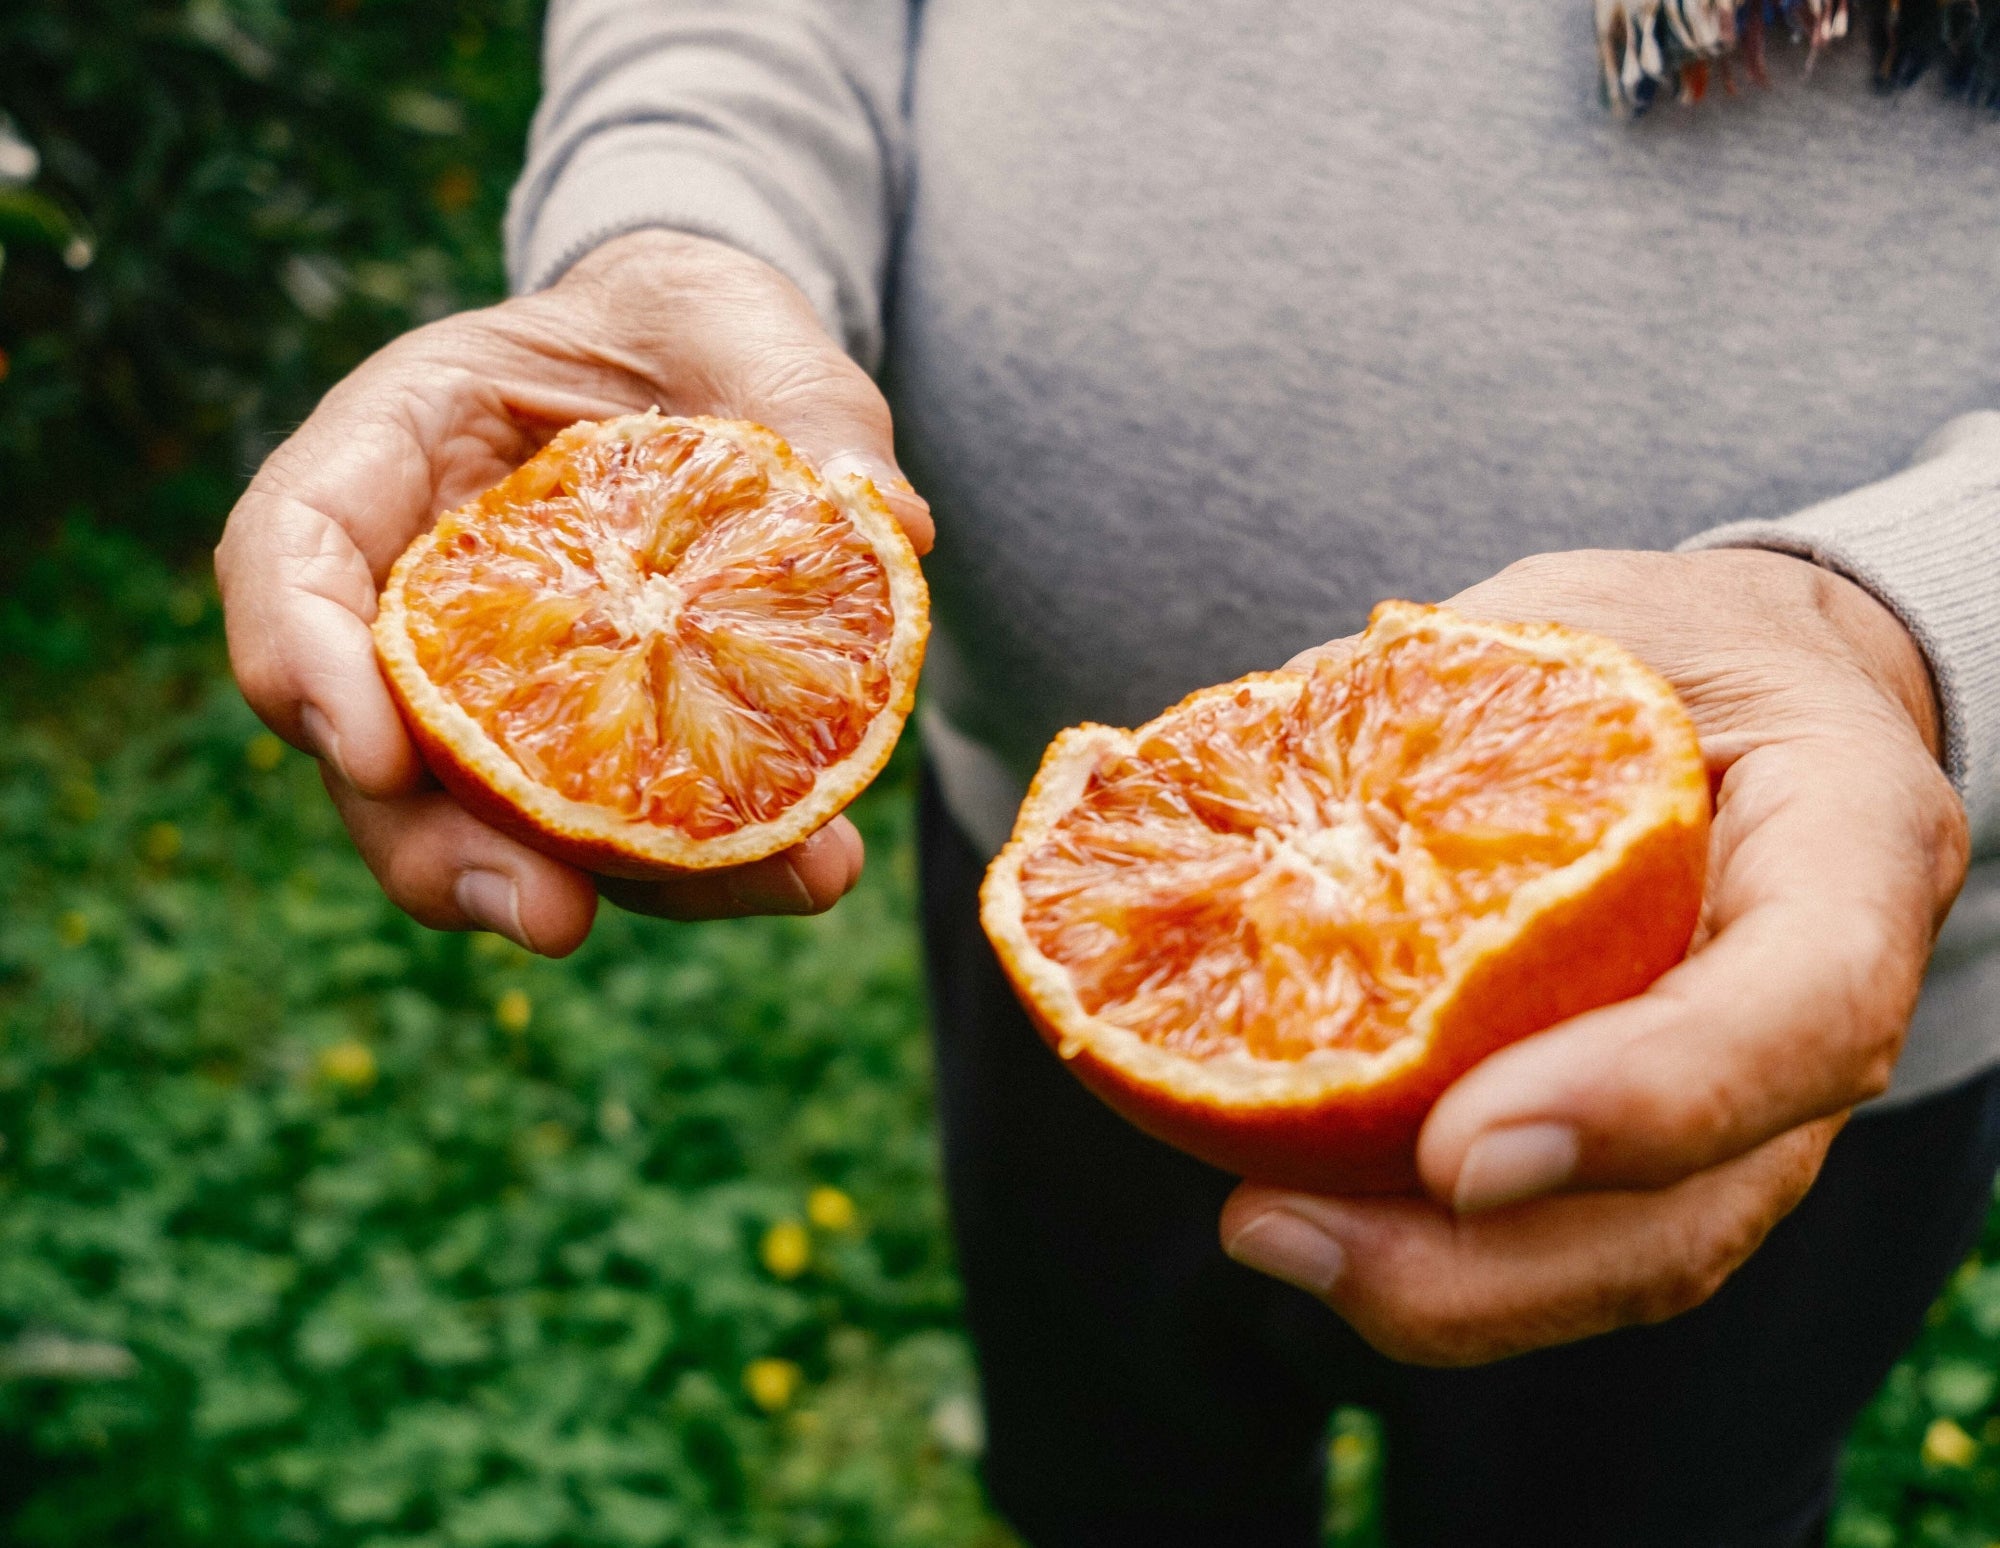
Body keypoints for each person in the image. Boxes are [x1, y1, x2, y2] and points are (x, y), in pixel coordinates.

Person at [216, 2, 2000, 1543]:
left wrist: (1909, 622)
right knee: (1118, 1487)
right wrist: (678, 221)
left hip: (1751, 947)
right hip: (1095, 942)